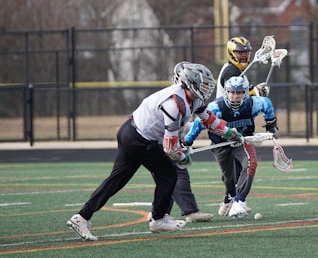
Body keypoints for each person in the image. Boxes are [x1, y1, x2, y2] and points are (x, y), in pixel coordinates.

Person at [66, 63, 243, 241]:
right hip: (139, 139)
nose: (207, 88)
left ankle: (81, 217)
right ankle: (158, 219)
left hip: (133, 132)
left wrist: (231, 134)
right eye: (204, 84)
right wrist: (182, 156)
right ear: (190, 83)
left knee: (116, 181)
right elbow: (170, 147)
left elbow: (209, 120)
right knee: (168, 175)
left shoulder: (192, 98)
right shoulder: (175, 104)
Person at [183, 75, 279, 218]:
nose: (235, 96)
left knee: (251, 163)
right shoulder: (216, 108)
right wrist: (187, 142)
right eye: (232, 92)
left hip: (243, 141)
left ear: (246, 92)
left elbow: (267, 104)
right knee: (229, 178)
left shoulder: (254, 104)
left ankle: (239, 201)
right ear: (226, 92)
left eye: (239, 92)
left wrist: (271, 124)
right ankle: (230, 196)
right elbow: (198, 124)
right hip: (221, 144)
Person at [146, 61, 213, 224]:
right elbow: (172, 125)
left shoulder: (188, 99)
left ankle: (157, 212)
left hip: (163, 141)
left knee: (167, 177)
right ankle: (190, 211)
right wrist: (180, 151)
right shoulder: (175, 99)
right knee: (177, 174)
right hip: (159, 142)